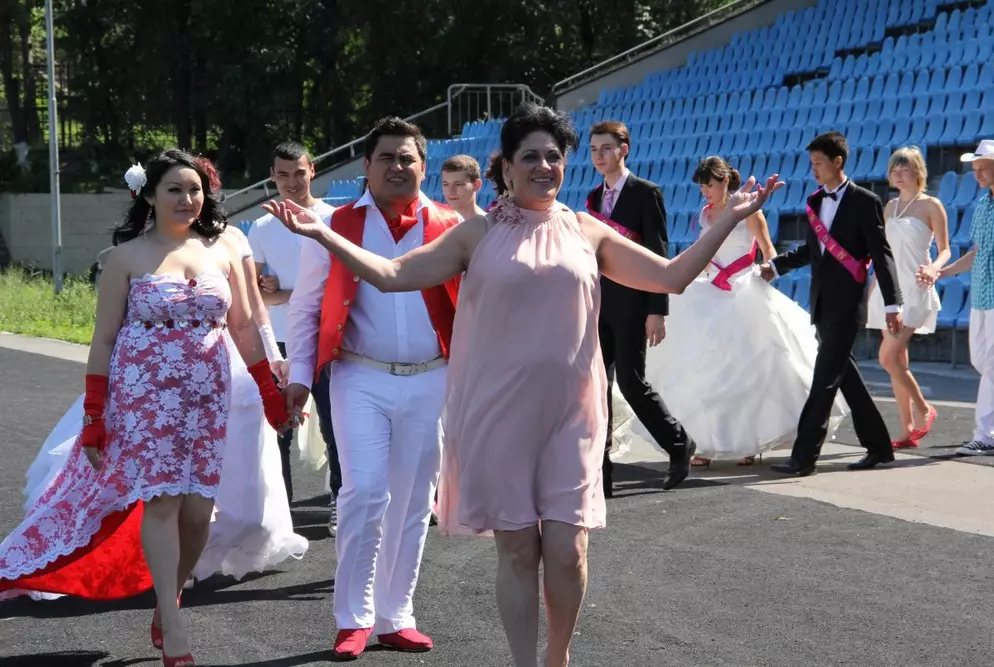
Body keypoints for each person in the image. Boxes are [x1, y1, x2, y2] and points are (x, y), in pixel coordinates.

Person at [268, 102, 782, 667]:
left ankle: (557, 658)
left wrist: (732, 217)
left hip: (572, 416)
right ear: (507, 168)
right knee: (517, 553)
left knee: (568, 551)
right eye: (530, 157)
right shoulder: (475, 234)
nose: (544, 166)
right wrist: (323, 235)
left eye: (553, 157)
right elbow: (393, 276)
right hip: (499, 416)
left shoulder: (587, 230)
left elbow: (672, 276)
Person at [0, 149, 291, 667]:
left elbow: (245, 326)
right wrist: (94, 415)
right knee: (163, 503)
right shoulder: (125, 258)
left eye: (195, 189)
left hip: (207, 396)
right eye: (175, 189)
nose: (187, 199)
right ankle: (173, 626)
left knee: (198, 513)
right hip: (144, 396)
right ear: (150, 196)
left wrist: (270, 392)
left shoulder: (224, 246)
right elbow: (103, 340)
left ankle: (167, 598)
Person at [274, 117, 462, 661]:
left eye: (407, 158)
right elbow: (307, 307)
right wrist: (300, 377)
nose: (397, 167)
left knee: (414, 500)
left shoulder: (450, 224)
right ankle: (352, 618)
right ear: (366, 165)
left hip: (432, 377)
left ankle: (395, 615)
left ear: (423, 166)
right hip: (359, 375)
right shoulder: (333, 224)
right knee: (365, 493)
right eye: (386, 157)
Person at [624, 156, 848, 466]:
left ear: (725, 181)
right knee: (704, 368)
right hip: (709, 291)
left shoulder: (750, 212)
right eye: (701, 186)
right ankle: (703, 443)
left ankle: (748, 442)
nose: (705, 191)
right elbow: (704, 253)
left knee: (748, 369)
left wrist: (757, 273)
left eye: (709, 185)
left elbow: (768, 251)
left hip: (743, 290)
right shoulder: (704, 214)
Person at [762, 131, 902, 476]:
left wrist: (892, 304)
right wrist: (776, 267)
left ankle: (803, 457)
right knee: (846, 377)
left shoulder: (865, 201)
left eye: (818, 163)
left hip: (847, 303)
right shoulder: (815, 202)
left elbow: (881, 254)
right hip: (821, 301)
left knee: (824, 380)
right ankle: (879, 447)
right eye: (811, 163)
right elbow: (814, 250)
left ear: (838, 162)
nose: (813, 170)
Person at [587, 120, 694, 495]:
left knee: (632, 384)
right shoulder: (593, 198)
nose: (599, 156)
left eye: (606, 148)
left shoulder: (646, 193)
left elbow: (657, 252)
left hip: (634, 304)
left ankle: (678, 443)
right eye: (594, 149)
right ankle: (601, 471)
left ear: (624, 149)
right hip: (599, 304)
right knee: (596, 387)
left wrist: (657, 309)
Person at [248, 141, 340, 534]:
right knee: (278, 429)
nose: (291, 181)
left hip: (327, 339)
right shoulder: (262, 227)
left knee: (335, 427)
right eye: (282, 174)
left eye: (299, 172)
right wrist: (274, 292)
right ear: (272, 176)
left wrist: (283, 293)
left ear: (312, 170)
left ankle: (340, 500)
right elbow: (252, 291)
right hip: (279, 343)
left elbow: (338, 285)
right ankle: (281, 512)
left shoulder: (334, 219)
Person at [919, 138, 994, 455]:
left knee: (992, 363)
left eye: (983, 168)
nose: (977, 173)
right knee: (981, 361)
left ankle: (987, 435)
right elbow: (977, 252)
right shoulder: (982, 204)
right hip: (982, 294)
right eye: (975, 168)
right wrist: (944, 272)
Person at [865, 146, 948, 448]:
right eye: (894, 170)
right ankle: (906, 429)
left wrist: (935, 268)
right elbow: (882, 254)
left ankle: (925, 409)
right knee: (897, 360)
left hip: (916, 287)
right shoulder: (889, 207)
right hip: (888, 290)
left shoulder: (931, 205)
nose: (898, 175)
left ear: (918, 172)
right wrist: (873, 288)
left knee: (887, 357)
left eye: (905, 169)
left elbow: (946, 249)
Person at [441, 154, 486, 220]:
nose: (451, 191)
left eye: (458, 184)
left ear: (476, 185)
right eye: (445, 184)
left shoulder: (491, 225)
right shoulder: (437, 221)